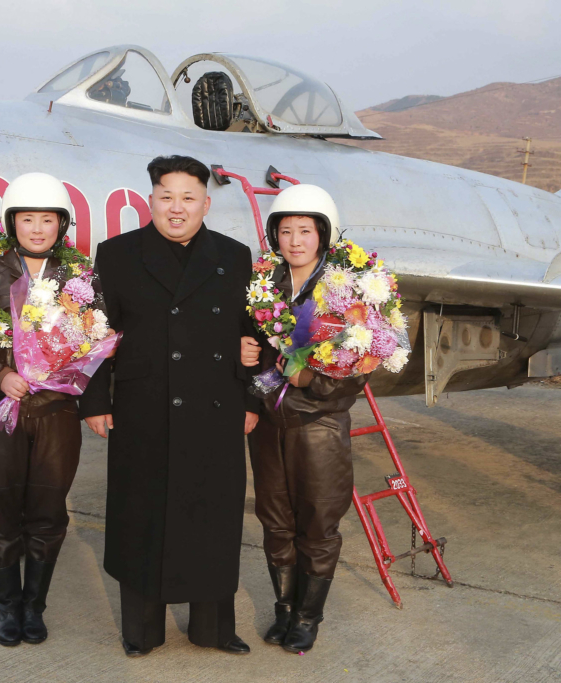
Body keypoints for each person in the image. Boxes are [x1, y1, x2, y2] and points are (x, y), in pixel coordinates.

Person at [80, 155, 260, 657]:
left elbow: (255, 332)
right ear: (151, 200)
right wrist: (96, 400)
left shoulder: (235, 255)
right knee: (142, 514)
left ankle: (214, 629)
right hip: (144, 404)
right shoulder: (116, 254)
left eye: (187, 198)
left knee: (214, 515)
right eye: (166, 196)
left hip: (217, 405)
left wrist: (250, 398)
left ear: (205, 203)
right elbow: (96, 334)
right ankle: (141, 630)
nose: (176, 208)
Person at [0, 173, 85, 647]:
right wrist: (1, 376)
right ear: (12, 223)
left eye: (48, 219)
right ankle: (8, 608)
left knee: (49, 513)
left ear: (61, 224)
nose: (38, 228)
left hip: (55, 415)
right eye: (27, 219)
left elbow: (93, 339)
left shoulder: (78, 279)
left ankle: (35, 607)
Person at [240, 185, 367, 653]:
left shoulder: (343, 292)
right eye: (286, 231)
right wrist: (244, 352)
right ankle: (284, 609)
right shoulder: (263, 287)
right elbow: (248, 346)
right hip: (271, 427)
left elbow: (358, 366)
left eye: (305, 231)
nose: (295, 241)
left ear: (323, 236)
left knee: (317, 523)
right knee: (275, 520)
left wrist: (309, 378)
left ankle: (309, 617)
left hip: (319, 427)